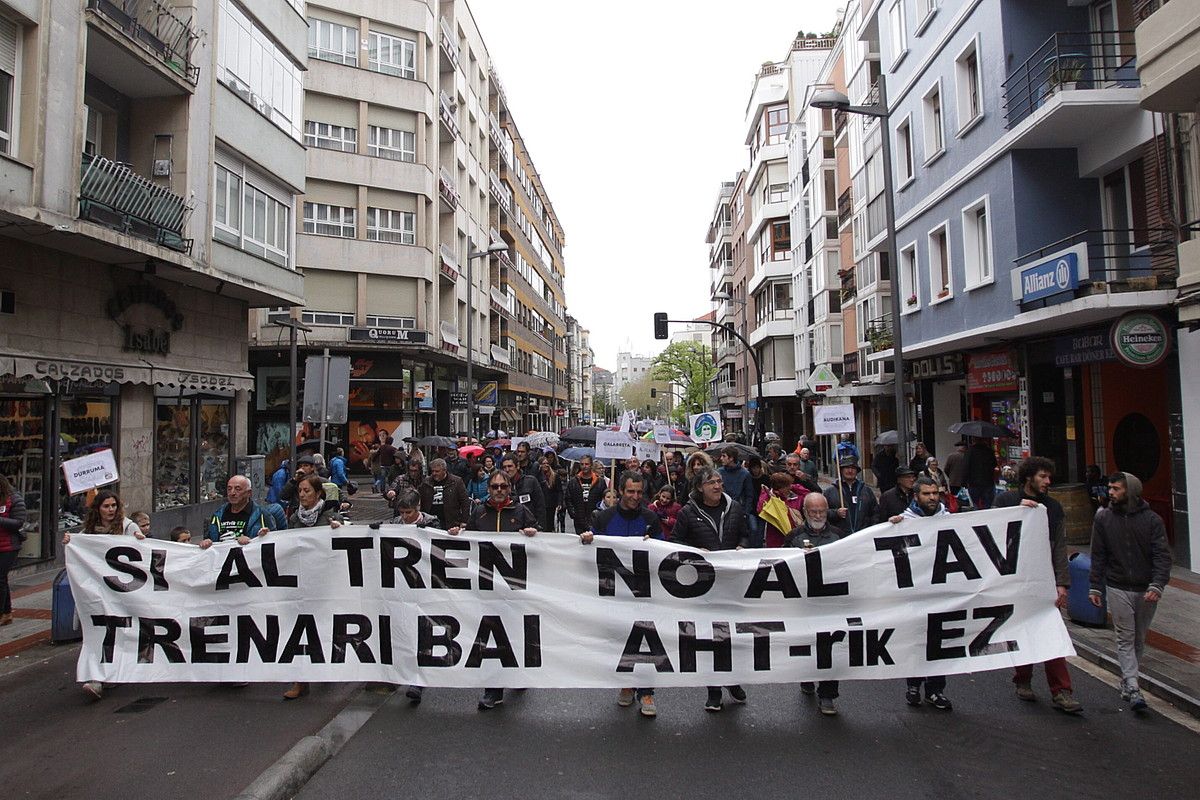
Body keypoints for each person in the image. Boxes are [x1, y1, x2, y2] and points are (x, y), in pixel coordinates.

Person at [995, 456, 1082, 713]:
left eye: (1048, 477)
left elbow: (1060, 547)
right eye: (1043, 476)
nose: (1048, 481)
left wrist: (1062, 583)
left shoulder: (1054, 508)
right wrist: (1015, 513)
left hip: (1044, 580)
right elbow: (991, 533)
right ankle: (1022, 679)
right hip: (1018, 580)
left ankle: (1062, 691)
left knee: (1050, 633)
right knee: (1022, 631)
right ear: (1029, 477)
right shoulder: (1006, 502)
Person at [446, 471, 538, 710]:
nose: (498, 491)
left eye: (502, 487)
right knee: (492, 636)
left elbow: (539, 541)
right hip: (487, 588)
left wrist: (532, 534)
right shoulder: (479, 512)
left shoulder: (520, 512)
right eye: (494, 487)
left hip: (513, 586)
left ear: (509, 488)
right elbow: (469, 539)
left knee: (515, 633)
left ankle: (516, 674)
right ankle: (493, 688)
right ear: (489, 488)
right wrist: (458, 535)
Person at [581, 470, 665, 717]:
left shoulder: (651, 517)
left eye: (639, 492)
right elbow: (593, 545)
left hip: (642, 592)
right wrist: (588, 539)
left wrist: (655, 542)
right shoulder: (604, 518)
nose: (635, 496)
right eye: (630, 491)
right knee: (620, 640)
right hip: (614, 591)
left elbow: (663, 549)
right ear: (620, 491)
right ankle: (627, 684)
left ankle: (646, 691)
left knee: (647, 641)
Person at [1088, 472, 1172, 712]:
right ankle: (1134, 687)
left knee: (1138, 637)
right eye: (1110, 488)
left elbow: (1162, 556)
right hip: (1118, 586)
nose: (1110, 493)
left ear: (1131, 491)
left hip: (1146, 589)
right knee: (1125, 637)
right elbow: (1098, 554)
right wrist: (1095, 585)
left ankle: (1127, 680)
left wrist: (1157, 585)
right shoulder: (1103, 519)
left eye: (1116, 489)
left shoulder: (1152, 521)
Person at [671, 465, 749, 712]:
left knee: (732, 636)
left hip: (731, 583)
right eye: (711, 483)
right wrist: (694, 554)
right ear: (699, 487)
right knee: (708, 637)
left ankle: (733, 680)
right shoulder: (687, 513)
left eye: (719, 482)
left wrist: (742, 546)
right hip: (702, 585)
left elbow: (746, 535)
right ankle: (713, 690)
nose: (717, 486)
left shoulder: (734, 508)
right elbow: (675, 542)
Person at [64, 489, 145, 699]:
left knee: (118, 632)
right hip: (97, 592)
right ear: (97, 509)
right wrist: (70, 541)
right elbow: (79, 548)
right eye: (106, 506)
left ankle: (112, 671)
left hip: (122, 593)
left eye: (113, 506)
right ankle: (95, 678)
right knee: (97, 631)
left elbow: (143, 554)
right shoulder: (88, 531)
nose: (111, 510)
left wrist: (140, 541)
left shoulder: (128, 527)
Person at [887, 476, 954, 711]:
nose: (932, 498)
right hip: (914, 594)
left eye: (935, 493)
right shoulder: (904, 521)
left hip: (940, 592)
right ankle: (913, 684)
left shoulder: (949, 520)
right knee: (916, 640)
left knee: (938, 641)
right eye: (927, 494)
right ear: (916, 496)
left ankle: (936, 690)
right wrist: (891, 528)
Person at [277, 475, 342, 700]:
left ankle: (324, 665)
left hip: (324, 582)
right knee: (299, 628)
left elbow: (343, 544)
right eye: (300, 491)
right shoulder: (295, 517)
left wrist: (338, 529)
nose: (302, 495)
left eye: (306, 491)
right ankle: (300, 680)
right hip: (301, 580)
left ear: (318, 493)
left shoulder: (329, 516)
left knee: (323, 626)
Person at [784, 492, 842, 714]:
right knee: (807, 643)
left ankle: (827, 694)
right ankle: (807, 675)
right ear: (805, 512)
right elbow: (781, 565)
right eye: (813, 512)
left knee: (829, 647)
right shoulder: (794, 537)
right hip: (803, 602)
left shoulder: (838, 536)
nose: (818, 515)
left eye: (822, 511)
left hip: (829, 602)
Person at [201, 476, 271, 549]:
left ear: (249, 493)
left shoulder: (262, 515)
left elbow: (273, 543)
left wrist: (252, 540)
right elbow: (210, 539)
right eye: (229, 489)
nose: (232, 493)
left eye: (238, 489)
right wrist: (206, 542)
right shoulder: (218, 515)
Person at [822, 457, 878, 535]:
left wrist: (871, 530)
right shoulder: (830, 492)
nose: (850, 471)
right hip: (840, 537)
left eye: (853, 468)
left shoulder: (866, 491)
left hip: (863, 536)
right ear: (841, 470)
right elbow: (822, 513)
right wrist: (836, 513)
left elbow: (875, 513)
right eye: (847, 468)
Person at [0, 475, 28, 627]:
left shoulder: (14, 499)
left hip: (9, 546)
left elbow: (18, 522)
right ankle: (7, 612)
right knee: (2, 579)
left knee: (0, 578)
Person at [758, 470, 808, 548]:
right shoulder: (770, 498)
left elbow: (808, 494)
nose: (789, 488)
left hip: (794, 538)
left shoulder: (795, 497)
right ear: (779, 488)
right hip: (775, 539)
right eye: (787, 486)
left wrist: (793, 486)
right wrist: (765, 493)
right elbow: (760, 510)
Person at [418, 458, 471, 530]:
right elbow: (419, 500)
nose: (434, 473)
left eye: (437, 471)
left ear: (444, 470)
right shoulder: (426, 482)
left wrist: (464, 520)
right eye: (432, 471)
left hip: (451, 521)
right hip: (430, 521)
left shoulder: (457, 481)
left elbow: (465, 502)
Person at [716, 449, 755, 540]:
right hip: (721, 509)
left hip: (739, 510)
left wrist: (746, 512)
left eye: (724, 456)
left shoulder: (745, 474)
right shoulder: (719, 472)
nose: (721, 458)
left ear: (731, 458)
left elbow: (749, 495)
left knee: (752, 530)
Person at [564, 455, 607, 535]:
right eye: (582, 464)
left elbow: (604, 498)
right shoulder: (574, 481)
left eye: (586, 464)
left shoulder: (600, 482)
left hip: (594, 516)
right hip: (579, 517)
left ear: (591, 465)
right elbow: (568, 498)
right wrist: (573, 513)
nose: (584, 466)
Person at [499, 455, 545, 525]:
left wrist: (540, 528)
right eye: (504, 467)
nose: (507, 470)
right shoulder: (499, 486)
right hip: (510, 526)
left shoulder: (531, 481)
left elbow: (540, 507)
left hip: (529, 526)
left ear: (517, 466)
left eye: (510, 466)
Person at [965, 437, 997, 510]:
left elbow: (966, 467)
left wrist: (965, 481)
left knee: (975, 504)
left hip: (973, 482)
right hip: (988, 482)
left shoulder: (970, 451)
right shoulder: (989, 451)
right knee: (987, 504)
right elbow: (994, 464)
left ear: (974, 440)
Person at [540, 460, 564, 531]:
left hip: (552, 504)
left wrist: (559, 502)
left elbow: (559, 490)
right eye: (543, 463)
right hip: (542, 504)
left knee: (550, 524)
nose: (546, 465)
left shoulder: (555, 476)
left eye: (547, 463)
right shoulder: (539, 476)